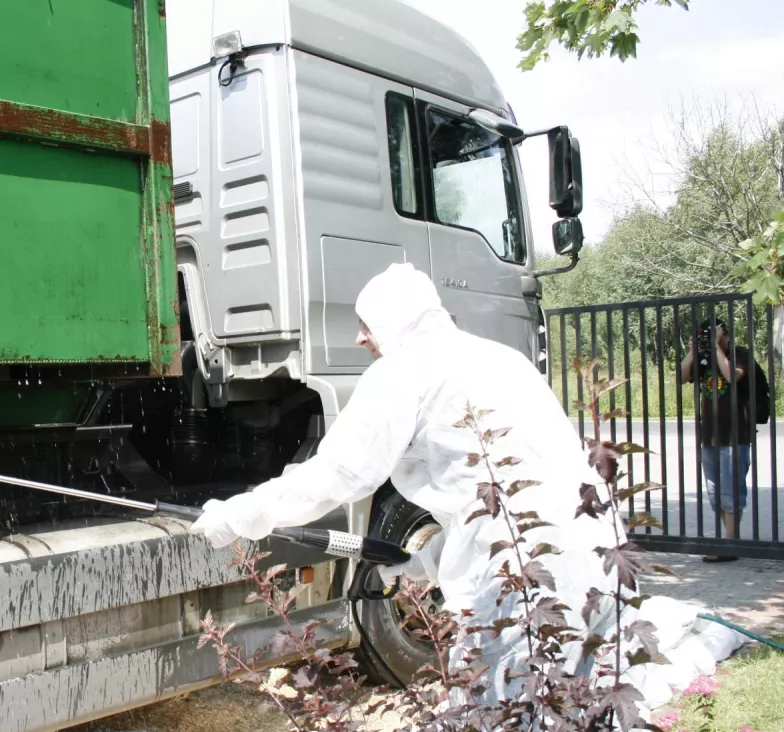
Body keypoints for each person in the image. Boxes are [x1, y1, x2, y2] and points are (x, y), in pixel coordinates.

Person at [190, 261, 627, 704]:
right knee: (588, 715)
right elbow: (500, 491)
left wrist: (242, 513)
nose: (360, 337)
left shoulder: (404, 369)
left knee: (501, 723)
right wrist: (427, 561)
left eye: (365, 324)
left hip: (519, 582)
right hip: (596, 561)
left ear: (394, 319)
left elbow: (339, 474)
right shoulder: (499, 358)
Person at [680, 318, 754, 563]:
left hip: (735, 434)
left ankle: (730, 543)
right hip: (710, 434)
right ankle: (730, 540)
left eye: (713, 333)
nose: (708, 338)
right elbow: (681, 376)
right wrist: (693, 351)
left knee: (731, 491)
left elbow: (732, 376)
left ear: (725, 333)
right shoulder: (704, 357)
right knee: (716, 492)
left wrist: (719, 348)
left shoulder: (740, 354)